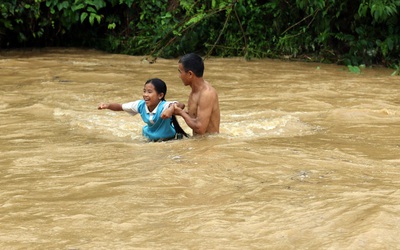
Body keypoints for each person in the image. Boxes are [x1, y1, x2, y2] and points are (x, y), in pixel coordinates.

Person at [98, 78, 188, 141]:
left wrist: (170, 109)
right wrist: (108, 105)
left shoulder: (164, 106)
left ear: (160, 95)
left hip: (168, 139)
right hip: (148, 138)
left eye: (149, 92)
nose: (145, 94)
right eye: (144, 91)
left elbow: (181, 105)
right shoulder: (141, 105)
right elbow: (121, 107)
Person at [172, 53, 220, 135]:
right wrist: (177, 111)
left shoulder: (206, 93)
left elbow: (200, 128)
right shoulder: (195, 90)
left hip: (209, 145)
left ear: (190, 74)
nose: (179, 76)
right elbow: (196, 116)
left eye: (180, 72)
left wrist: (181, 113)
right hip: (200, 142)